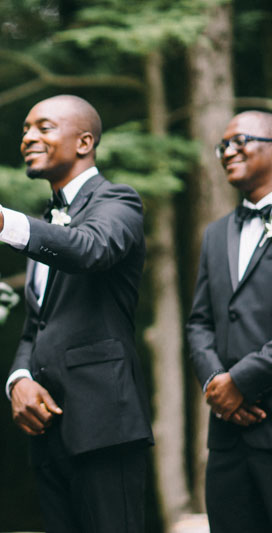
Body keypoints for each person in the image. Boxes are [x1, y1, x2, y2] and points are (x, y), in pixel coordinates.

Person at [0, 95, 154, 533]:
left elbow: (93, 249)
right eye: (26, 130)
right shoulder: (44, 222)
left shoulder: (119, 201)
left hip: (105, 425)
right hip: (48, 430)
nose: (29, 137)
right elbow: (38, 323)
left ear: (85, 141)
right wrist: (19, 378)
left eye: (44, 128)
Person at [187, 110, 272, 533]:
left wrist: (243, 380)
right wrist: (216, 383)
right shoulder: (215, 234)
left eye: (240, 140)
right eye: (223, 145)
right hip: (226, 441)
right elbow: (199, 323)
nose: (227, 152)